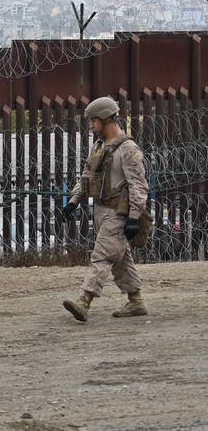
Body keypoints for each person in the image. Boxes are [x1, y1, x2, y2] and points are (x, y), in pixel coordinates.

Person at [61, 96, 151, 322]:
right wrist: (73, 202)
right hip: (101, 211)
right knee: (121, 260)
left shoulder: (128, 149)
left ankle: (84, 300)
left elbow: (138, 186)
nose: (91, 126)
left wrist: (133, 217)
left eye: (93, 121)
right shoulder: (99, 146)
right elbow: (87, 177)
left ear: (104, 119)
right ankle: (136, 301)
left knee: (102, 256)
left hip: (118, 215)